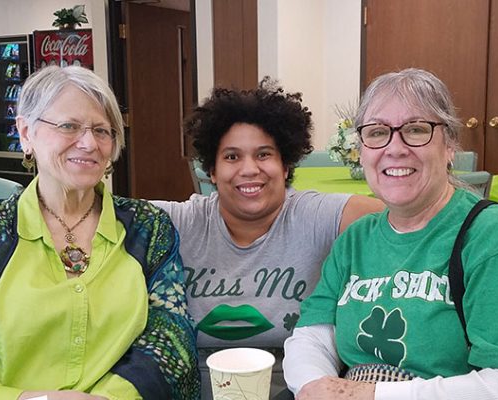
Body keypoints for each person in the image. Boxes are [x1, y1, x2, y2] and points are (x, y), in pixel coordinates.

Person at [283, 68, 498, 400]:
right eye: (377, 132)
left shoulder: (496, 238)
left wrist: (369, 394)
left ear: (450, 146)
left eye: (416, 129)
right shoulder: (355, 241)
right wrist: (316, 386)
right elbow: (313, 335)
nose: (395, 147)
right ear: (361, 150)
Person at [0, 66, 200, 399]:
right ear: (26, 133)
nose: (89, 143)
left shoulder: (148, 228)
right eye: (68, 126)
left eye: (102, 130)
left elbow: (170, 340)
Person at [152, 78, 384, 399]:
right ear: (212, 170)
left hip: (294, 388)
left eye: (264, 155)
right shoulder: (183, 222)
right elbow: (102, 213)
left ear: (285, 165)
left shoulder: (314, 216)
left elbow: (403, 216)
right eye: (232, 157)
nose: (249, 169)